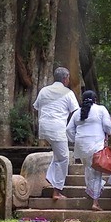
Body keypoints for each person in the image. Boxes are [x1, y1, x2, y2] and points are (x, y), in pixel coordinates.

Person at [32, 66, 79, 199]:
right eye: (68, 78)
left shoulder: (43, 91)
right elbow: (76, 112)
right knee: (64, 158)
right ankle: (57, 191)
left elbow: (36, 107)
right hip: (57, 128)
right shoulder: (68, 93)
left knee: (58, 155)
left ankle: (50, 177)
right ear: (65, 78)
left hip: (44, 127)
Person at [72, 88, 111, 211]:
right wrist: (109, 134)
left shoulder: (77, 112)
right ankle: (95, 202)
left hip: (81, 146)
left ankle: (90, 193)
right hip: (95, 145)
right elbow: (107, 126)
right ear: (95, 100)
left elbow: (69, 130)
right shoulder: (101, 109)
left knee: (88, 169)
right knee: (96, 172)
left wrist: (76, 139)